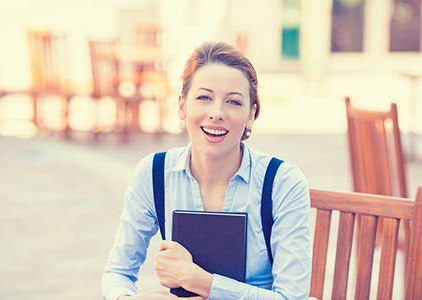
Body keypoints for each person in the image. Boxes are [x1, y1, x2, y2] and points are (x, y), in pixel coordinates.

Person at [101, 41, 312, 300]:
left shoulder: (283, 183)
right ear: (182, 106)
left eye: (233, 102)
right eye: (204, 97)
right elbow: (118, 272)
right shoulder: (154, 173)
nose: (216, 113)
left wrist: (199, 281)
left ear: (251, 115)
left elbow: (293, 297)